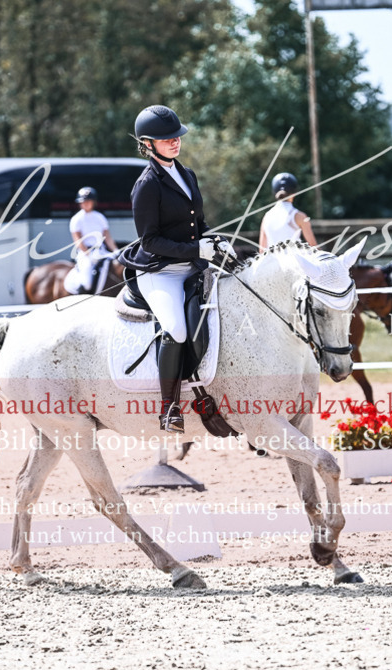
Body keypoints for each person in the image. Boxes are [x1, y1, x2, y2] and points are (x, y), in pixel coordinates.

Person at [117, 105, 235, 434]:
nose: (174, 142)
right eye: (165, 139)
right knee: (178, 330)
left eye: (176, 136)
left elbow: (199, 224)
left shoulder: (186, 174)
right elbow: (150, 240)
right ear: (147, 143)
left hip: (192, 266)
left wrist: (216, 240)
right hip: (161, 272)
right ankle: (169, 409)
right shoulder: (147, 184)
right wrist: (195, 249)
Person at [66, 187, 118, 295]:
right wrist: (88, 254)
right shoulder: (76, 219)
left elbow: (107, 237)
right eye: (83, 202)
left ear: (93, 202)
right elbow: (78, 240)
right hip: (86, 253)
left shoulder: (100, 217)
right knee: (87, 282)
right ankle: (82, 297)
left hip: (101, 251)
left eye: (88, 201)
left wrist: (115, 250)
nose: (86, 204)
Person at [259, 172, 317, 251]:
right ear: (294, 192)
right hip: (293, 262)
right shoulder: (299, 216)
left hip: (272, 262)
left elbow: (261, 250)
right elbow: (314, 246)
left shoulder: (266, 216)